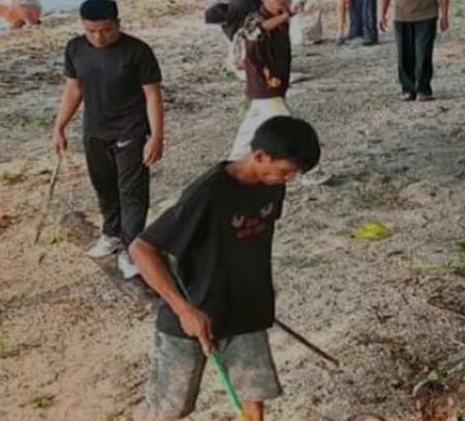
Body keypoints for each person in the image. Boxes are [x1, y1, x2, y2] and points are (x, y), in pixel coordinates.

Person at [129, 115, 321, 421]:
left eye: (293, 174)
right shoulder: (208, 194)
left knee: (254, 398)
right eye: (285, 172)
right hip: (194, 313)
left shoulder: (272, 187)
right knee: (169, 408)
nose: (288, 180)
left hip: (247, 309)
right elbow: (141, 249)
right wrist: (183, 310)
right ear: (259, 156)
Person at [52, 0, 164, 279]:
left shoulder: (137, 51)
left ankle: (133, 247)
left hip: (131, 130)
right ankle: (111, 233)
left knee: (132, 193)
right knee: (104, 186)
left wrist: (157, 137)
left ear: (118, 24)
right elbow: (74, 90)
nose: (98, 37)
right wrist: (59, 127)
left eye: (105, 30)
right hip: (95, 130)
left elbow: (153, 96)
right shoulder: (75, 48)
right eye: (91, 31)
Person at [227, 0, 332, 186]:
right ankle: (308, 170)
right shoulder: (255, 18)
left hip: (272, 86)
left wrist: (287, 16)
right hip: (264, 87)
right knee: (289, 129)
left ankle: (231, 166)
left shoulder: (281, 20)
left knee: (250, 130)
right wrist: (287, 15)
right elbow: (256, 30)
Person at [379, 0, 450, 102]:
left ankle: (424, 89)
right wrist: (381, 14)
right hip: (401, 16)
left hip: (427, 14)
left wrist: (444, 15)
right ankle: (407, 88)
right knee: (405, 54)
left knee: (423, 53)